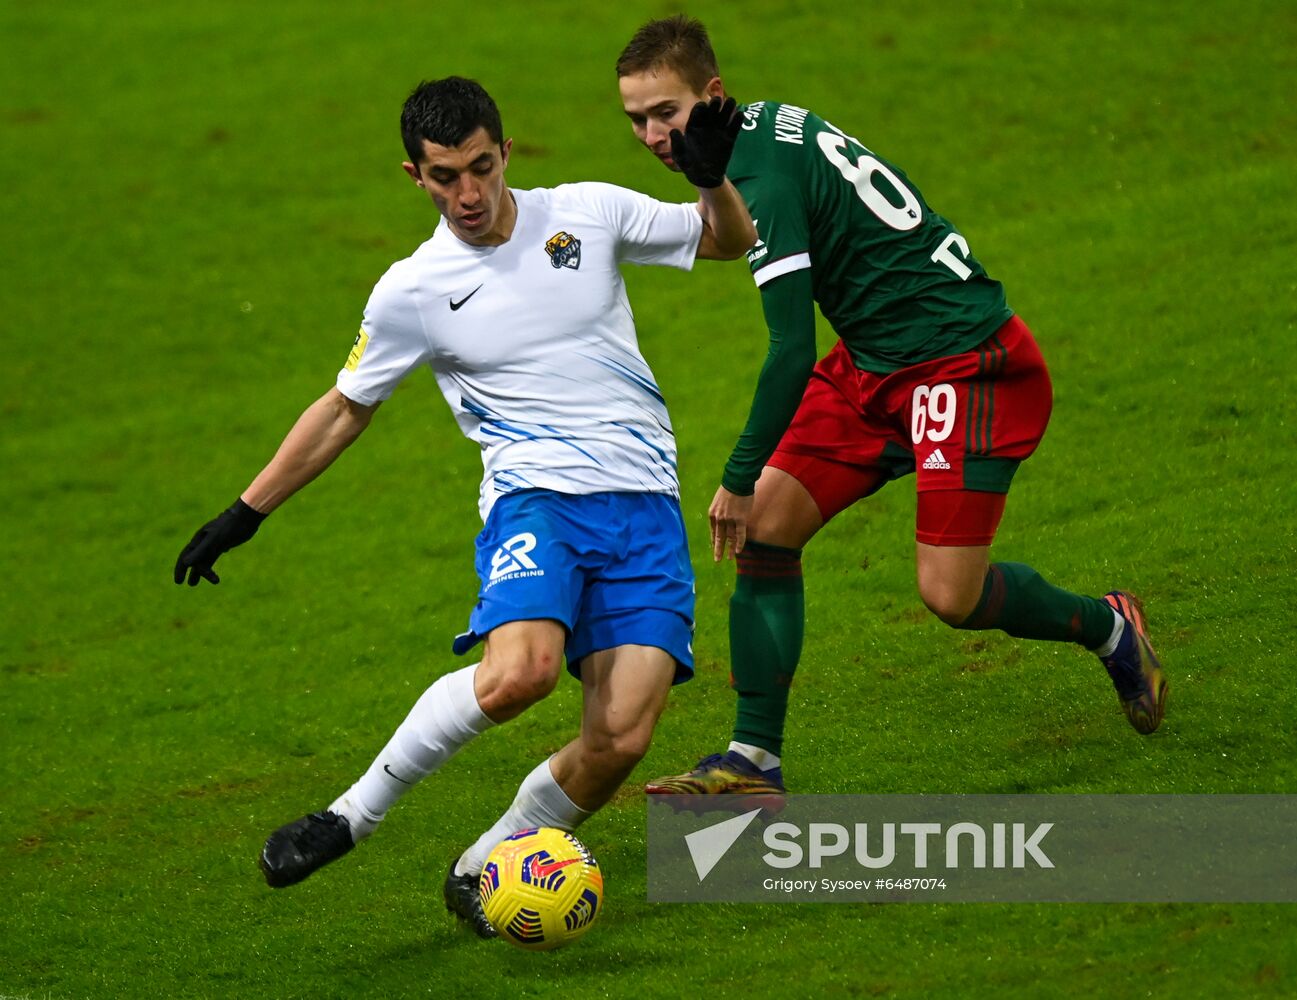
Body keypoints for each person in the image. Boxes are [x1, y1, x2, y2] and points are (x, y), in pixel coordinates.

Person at [173, 76, 755, 936]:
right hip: (535, 500)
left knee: (622, 739)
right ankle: (349, 817)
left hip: (643, 507)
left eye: (481, 167)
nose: (469, 194)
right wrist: (246, 510)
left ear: (506, 152)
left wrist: (711, 178)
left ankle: (489, 864)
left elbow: (724, 241)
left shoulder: (586, 213)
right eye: (445, 177)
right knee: (519, 672)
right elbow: (345, 407)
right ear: (415, 176)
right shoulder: (413, 288)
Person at [614, 17, 1169, 805]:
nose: (650, 135)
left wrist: (737, 474)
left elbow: (787, 353)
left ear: (710, 95)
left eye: (663, 114)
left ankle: (1110, 626)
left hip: (961, 366)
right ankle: (752, 760)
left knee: (950, 595)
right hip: (876, 362)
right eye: (635, 119)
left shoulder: (762, 179)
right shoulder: (760, 124)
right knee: (766, 531)